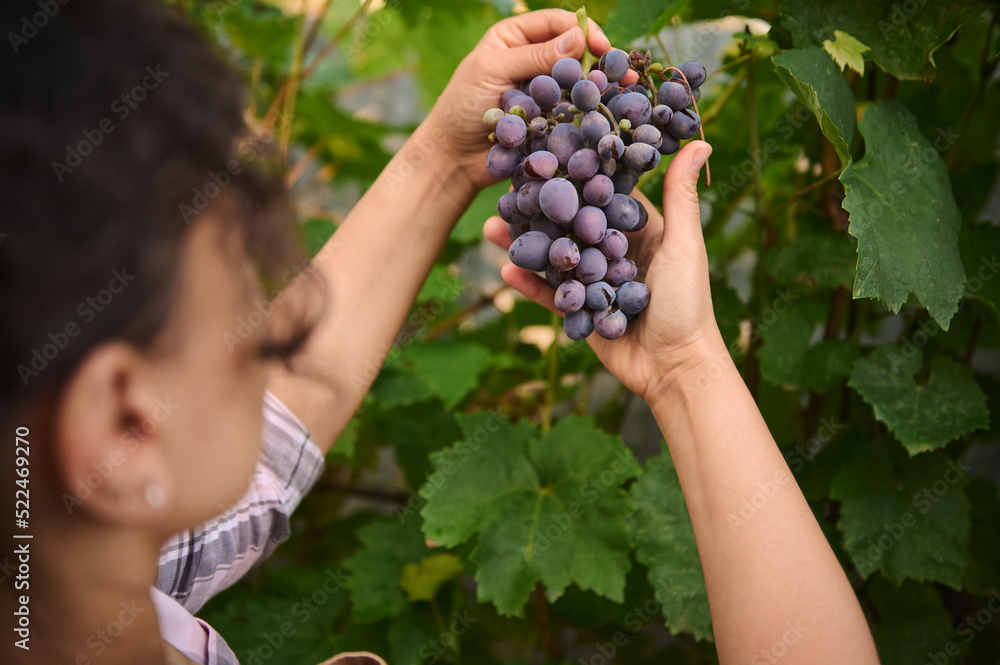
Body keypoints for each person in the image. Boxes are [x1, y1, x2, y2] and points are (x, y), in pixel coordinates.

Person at [0, 1, 881, 664]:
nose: (294, 319)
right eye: (251, 325)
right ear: (121, 425)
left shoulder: (66, 563)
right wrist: (693, 367)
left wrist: (443, 163)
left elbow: (273, 424)